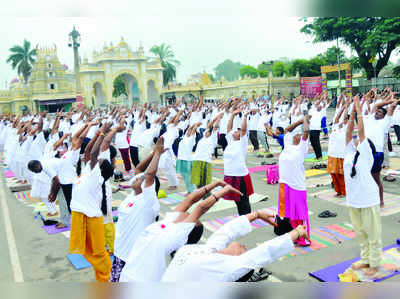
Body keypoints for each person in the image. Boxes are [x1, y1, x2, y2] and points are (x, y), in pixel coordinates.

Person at [119, 180, 241, 282]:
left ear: (188, 228)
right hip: (126, 276)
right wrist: (215, 184)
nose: (189, 214)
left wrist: (223, 192)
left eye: (194, 219)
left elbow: (201, 208)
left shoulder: (177, 235)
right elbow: (190, 200)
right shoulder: (169, 221)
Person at [161, 211, 309, 282]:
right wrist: (295, 233)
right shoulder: (216, 258)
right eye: (244, 250)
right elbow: (227, 232)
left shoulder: (215, 261)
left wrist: (256, 215)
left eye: (244, 249)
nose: (245, 247)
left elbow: (227, 233)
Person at [110, 137, 164, 282]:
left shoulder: (149, 202)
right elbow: (140, 169)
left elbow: (150, 174)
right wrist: (154, 153)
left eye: (141, 179)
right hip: (119, 253)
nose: (136, 179)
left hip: (132, 258)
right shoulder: (134, 194)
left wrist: (158, 154)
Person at [68, 122, 115, 282]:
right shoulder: (88, 169)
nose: (95, 160)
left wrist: (101, 133)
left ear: (100, 169)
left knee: (98, 253)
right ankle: (102, 277)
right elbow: (88, 151)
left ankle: (107, 277)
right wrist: (96, 134)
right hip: (80, 215)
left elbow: (94, 154)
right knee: (88, 252)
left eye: (99, 162)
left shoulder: (97, 176)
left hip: (91, 219)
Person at [344, 95, 383, 277]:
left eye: (361, 141)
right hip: (354, 200)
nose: (357, 141)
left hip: (368, 198)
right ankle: (366, 259)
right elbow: (349, 132)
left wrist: (360, 111)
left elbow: (360, 132)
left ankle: (374, 263)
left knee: (373, 234)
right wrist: (352, 112)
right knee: (360, 233)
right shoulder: (349, 153)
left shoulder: (366, 154)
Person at [276, 116, 311, 246]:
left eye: (299, 134)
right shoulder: (287, 146)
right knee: (290, 214)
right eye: (295, 134)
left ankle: (304, 238)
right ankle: (296, 235)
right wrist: (300, 121)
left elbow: (306, 133)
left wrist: (306, 122)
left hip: (297, 186)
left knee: (300, 215)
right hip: (284, 184)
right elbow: (287, 130)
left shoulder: (302, 148)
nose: (297, 135)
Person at [364, 88, 396, 207]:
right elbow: (377, 105)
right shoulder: (371, 118)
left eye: (380, 113)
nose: (377, 113)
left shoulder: (385, 122)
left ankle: (381, 200)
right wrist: (387, 102)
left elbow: (391, 109)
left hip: (377, 153)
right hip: (365, 151)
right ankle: (369, 198)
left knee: (376, 178)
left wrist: (392, 102)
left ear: (384, 116)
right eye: (377, 112)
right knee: (365, 176)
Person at [223, 107, 254, 215]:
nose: (234, 132)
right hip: (229, 174)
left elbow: (244, 130)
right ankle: (243, 216)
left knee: (243, 199)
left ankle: (246, 217)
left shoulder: (242, 143)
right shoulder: (230, 141)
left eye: (237, 131)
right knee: (236, 199)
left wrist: (245, 116)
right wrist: (232, 114)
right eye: (235, 131)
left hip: (240, 176)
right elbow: (228, 128)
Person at [327, 103, 348, 198]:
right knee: (333, 174)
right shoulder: (335, 127)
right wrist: (343, 108)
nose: (341, 121)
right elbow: (337, 118)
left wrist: (346, 109)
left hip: (341, 155)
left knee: (341, 175)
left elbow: (345, 119)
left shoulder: (346, 129)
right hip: (331, 154)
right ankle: (338, 191)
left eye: (344, 120)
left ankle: (343, 192)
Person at [176, 123, 199, 195]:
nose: (189, 132)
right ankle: (189, 190)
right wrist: (191, 126)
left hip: (187, 160)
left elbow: (193, 131)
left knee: (188, 177)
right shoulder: (184, 137)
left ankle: (192, 191)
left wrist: (195, 125)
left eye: (191, 131)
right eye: (188, 131)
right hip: (180, 159)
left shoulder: (192, 139)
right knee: (184, 177)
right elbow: (189, 130)